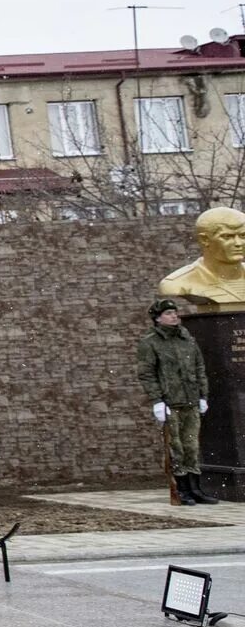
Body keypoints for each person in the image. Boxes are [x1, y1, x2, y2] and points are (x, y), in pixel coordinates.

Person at [138, 298, 212, 504]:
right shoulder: (150, 342)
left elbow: (199, 369)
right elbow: (147, 374)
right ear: (158, 318)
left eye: (174, 312)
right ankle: (181, 490)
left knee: (192, 446)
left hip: (191, 400)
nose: (174, 316)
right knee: (175, 448)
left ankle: (195, 489)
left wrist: (202, 395)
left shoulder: (186, 338)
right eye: (168, 313)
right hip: (171, 402)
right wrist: (157, 400)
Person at [158, 207, 245, 305]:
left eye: (243, 236)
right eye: (227, 237)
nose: (238, 243)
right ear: (205, 240)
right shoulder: (178, 283)